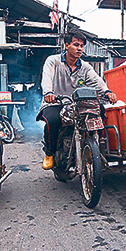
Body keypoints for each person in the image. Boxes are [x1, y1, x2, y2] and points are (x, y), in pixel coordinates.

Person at [37, 31, 117, 170]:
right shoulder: (53, 61)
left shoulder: (85, 66)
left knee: (100, 110)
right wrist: (48, 92)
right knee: (52, 121)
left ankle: (95, 147)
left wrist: (107, 92)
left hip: (77, 104)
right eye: (76, 45)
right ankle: (49, 153)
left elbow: (96, 80)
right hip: (55, 102)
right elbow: (47, 78)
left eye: (81, 46)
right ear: (66, 45)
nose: (79, 48)